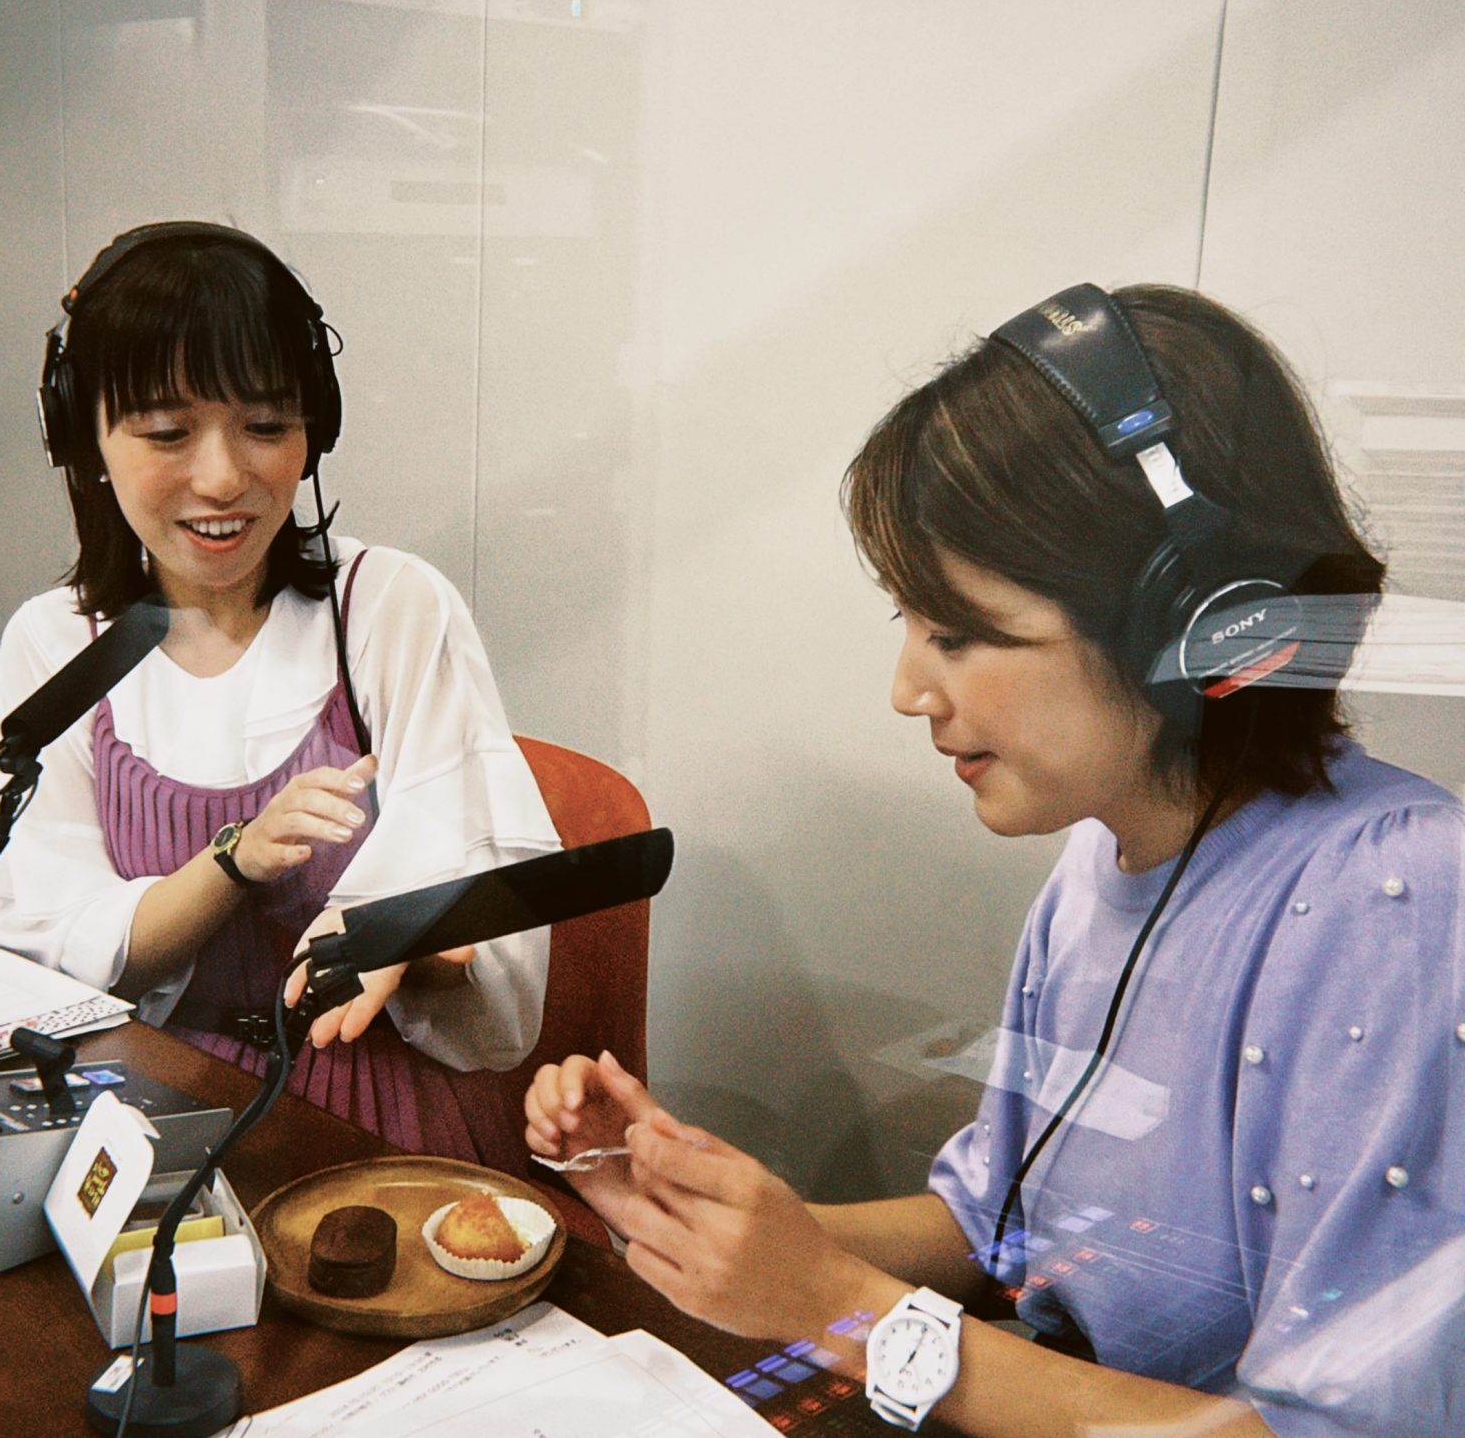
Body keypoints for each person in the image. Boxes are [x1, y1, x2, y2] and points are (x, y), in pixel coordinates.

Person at [525, 284, 1465, 1435]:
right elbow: (1001, 1227)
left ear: (1199, 629)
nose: (908, 691)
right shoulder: (1099, 863)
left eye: (959, 633)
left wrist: (834, 1305)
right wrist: (717, 1218)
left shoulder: (1402, 909)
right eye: (909, 626)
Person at [0, 221, 562, 1167]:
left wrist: (419, 944)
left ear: (315, 431)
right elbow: (36, 956)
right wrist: (233, 860)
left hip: (367, 1110)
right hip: (137, 1109)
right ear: (85, 438)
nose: (224, 476)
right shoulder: (58, 642)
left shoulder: (389, 607)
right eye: (166, 433)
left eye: (267, 426)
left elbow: (490, 949)